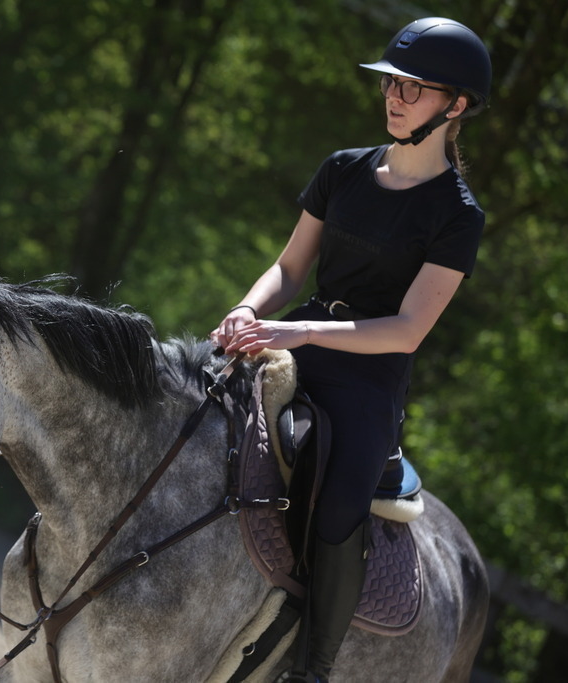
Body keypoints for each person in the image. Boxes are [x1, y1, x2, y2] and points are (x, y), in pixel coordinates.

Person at [211, 17, 492, 683]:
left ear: (455, 106)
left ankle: (314, 666)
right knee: (194, 393)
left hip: (370, 375)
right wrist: (250, 309)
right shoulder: (342, 169)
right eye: (393, 83)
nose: (395, 96)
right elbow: (289, 268)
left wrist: (299, 332)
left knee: (341, 494)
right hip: (297, 331)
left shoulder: (458, 214)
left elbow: (407, 328)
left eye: (415, 88)